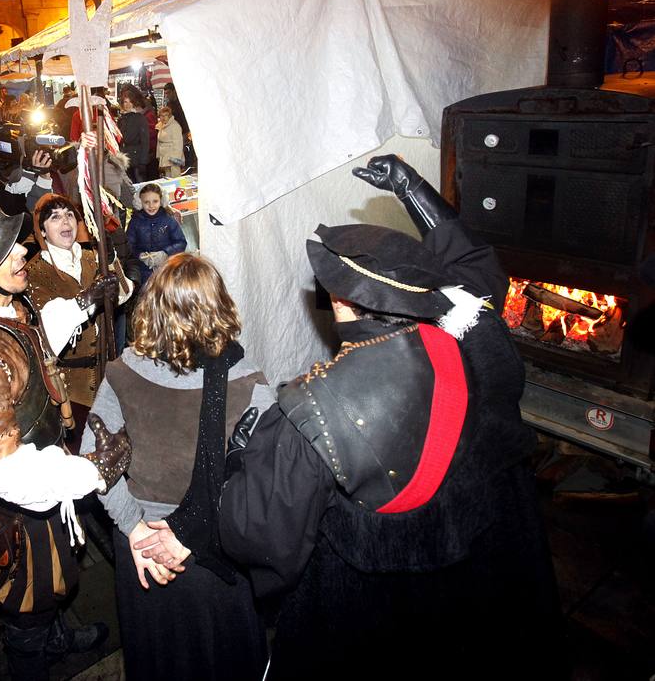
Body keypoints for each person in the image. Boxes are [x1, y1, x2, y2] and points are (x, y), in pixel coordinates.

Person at [203, 155, 562, 680]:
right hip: (492, 579)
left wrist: (238, 457)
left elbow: (254, 536)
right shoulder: (479, 329)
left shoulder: (314, 406)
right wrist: (413, 190)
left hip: (375, 612)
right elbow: (476, 267)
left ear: (343, 304)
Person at [0, 182, 131, 681]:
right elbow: (11, 474)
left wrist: (85, 303)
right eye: (6, 249)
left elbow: (38, 347)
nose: (22, 251)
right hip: (21, 509)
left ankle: (57, 636)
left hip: (44, 484)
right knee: (26, 611)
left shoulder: (5, 313)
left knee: (51, 587)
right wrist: (92, 472)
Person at [81, 254, 269, 680]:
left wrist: (135, 529)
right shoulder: (249, 380)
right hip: (215, 547)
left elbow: (95, 460)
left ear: (151, 307)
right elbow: (261, 481)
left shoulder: (122, 370)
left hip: (145, 551)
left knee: (158, 660)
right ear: (219, 304)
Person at [24, 194, 130, 427]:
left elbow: (124, 293)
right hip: (68, 385)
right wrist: (89, 298)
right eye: (55, 217)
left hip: (106, 373)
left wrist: (111, 259)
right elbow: (47, 325)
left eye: (69, 215)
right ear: (42, 230)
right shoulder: (34, 272)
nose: (65, 222)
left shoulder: (94, 258)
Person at [127, 183, 187, 287]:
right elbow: (129, 245)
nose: (151, 206)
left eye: (155, 201)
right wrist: (140, 255)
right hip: (144, 273)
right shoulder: (135, 222)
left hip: (168, 269)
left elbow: (181, 242)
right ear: (139, 202)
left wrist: (165, 253)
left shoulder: (169, 220)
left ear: (161, 201)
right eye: (146, 202)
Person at [116, 87, 151, 182]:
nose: (127, 104)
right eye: (125, 102)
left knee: (138, 183)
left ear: (134, 103)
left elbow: (145, 141)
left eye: (130, 102)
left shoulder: (140, 118)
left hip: (137, 158)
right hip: (124, 157)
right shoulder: (121, 119)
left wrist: (143, 161)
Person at [154, 106, 185, 178]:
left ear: (170, 116)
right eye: (161, 116)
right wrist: (158, 155)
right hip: (165, 157)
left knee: (175, 177)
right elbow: (159, 143)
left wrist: (175, 159)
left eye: (166, 115)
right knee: (168, 178)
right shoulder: (161, 126)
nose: (163, 118)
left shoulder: (175, 126)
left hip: (173, 157)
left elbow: (178, 143)